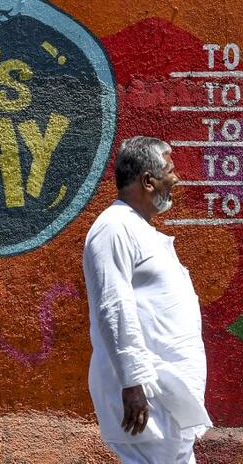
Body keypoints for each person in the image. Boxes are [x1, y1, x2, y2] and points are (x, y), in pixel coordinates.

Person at [83, 136, 212, 463]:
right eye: (169, 170)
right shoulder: (113, 228)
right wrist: (133, 382)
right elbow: (113, 307)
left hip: (163, 394)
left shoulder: (139, 229)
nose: (176, 178)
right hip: (147, 393)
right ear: (148, 181)